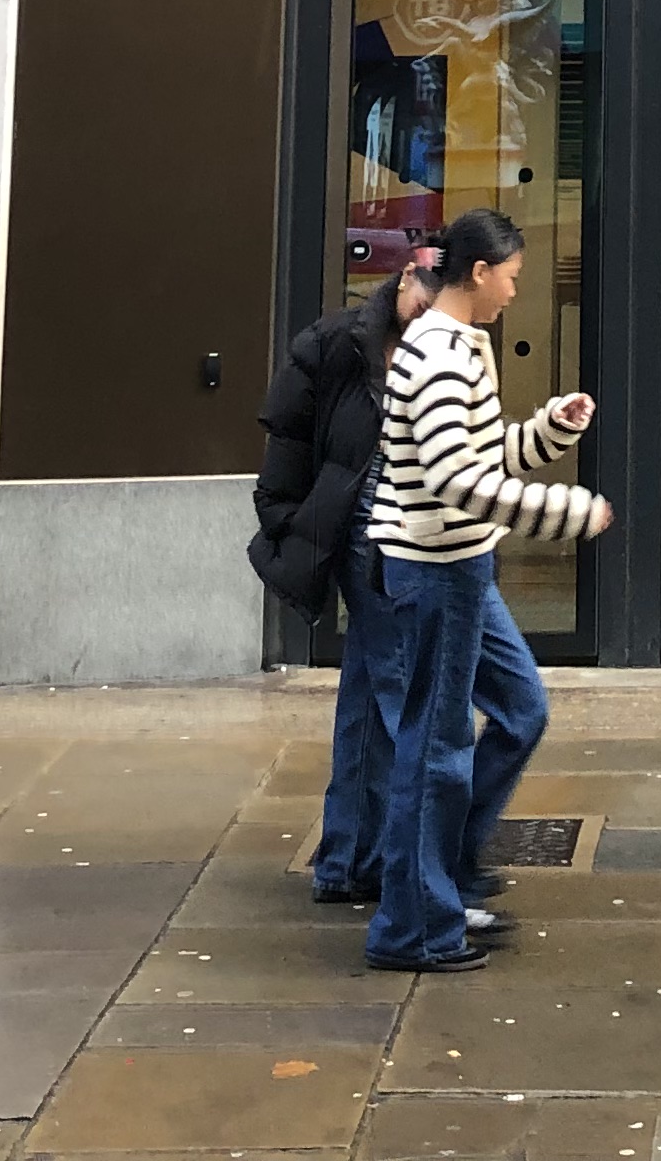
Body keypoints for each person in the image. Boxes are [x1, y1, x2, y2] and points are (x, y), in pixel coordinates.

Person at [363, 208, 605, 974]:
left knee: (520, 711)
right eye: (511, 276)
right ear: (478, 271)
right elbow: (455, 481)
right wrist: (568, 512)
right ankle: (415, 927)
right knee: (435, 750)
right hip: (437, 570)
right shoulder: (439, 352)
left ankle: (446, 875)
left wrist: (549, 430)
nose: (513, 290)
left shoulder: (458, 344)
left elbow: (477, 455)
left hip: (460, 563)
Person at [249, 250, 439, 905]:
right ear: (407, 278)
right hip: (370, 535)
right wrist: (285, 518)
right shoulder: (340, 342)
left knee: (370, 687)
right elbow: (290, 436)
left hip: (405, 533)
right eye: (425, 298)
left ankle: (349, 858)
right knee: (403, 698)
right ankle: (412, 873)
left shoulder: (447, 345)